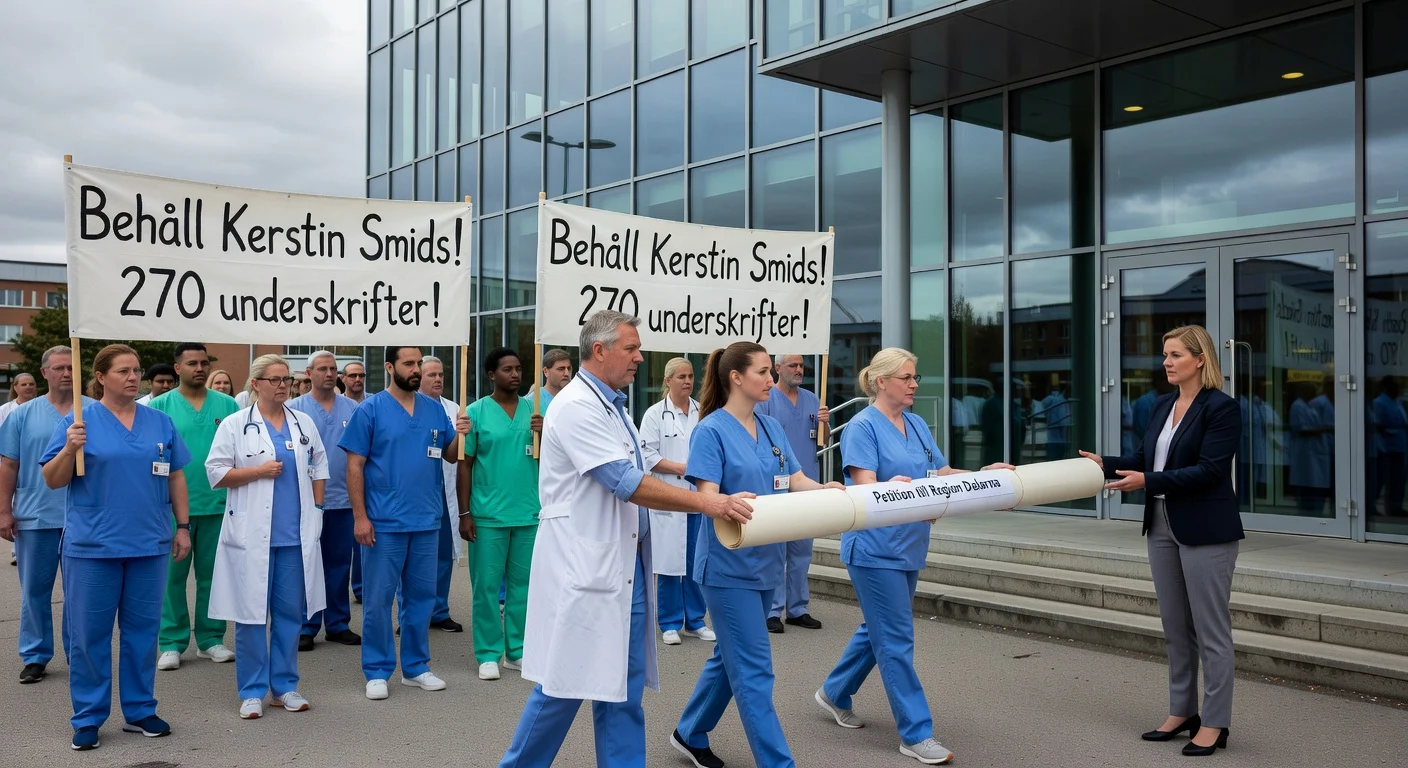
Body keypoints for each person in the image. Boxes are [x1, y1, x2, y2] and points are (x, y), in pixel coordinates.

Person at [499, 311, 753, 768]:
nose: (639, 357)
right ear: (600, 350)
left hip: (624, 567)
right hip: (588, 568)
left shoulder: (612, 406)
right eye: (631, 348)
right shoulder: (576, 405)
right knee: (563, 686)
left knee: (623, 688)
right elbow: (625, 480)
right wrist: (708, 503)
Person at [816, 348, 1012, 766]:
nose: (914, 384)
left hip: (909, 544)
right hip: (873, 550)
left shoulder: (918, 424)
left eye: (915, 377)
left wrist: (985, 479)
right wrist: (896, 486)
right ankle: (916, 733)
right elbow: (865, 488)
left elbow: (939, 474)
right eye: (906, 377)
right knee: (897, 639)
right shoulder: (861, 427)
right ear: (881, 381)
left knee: (881, 630)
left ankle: (834, 691)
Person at [671, 342, 842, 768]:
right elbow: (707, 496)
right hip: (727, 569)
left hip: (766, 563)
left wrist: (827, 490)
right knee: (754, 670)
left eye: (771, 372)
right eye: (764, 372)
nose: (771, 379)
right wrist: (726, 500)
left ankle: (689, 733)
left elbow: (795, 477)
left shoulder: (769, 428)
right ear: (736, 377)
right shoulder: (710, 430)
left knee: (729, 658)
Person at [1079, 324, 1242, 757]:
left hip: (1206, 527)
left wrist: (1147, 480)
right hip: (1162, 524)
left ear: (1200, 359)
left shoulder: (1221, 408)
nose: (1166, 362)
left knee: (1211, 632)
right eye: (1165, 354)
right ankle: (1182, 711)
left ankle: (1214, 723)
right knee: (1175, 627)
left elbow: (1210, 470)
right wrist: (1105, 463)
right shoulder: (1160, 405)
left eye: (1175, 355)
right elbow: (1144, 458)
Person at [40, 343, 193, 751]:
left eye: (136, 370)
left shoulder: (159, 422)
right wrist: (71, 448)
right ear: (101, 377)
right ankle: (88, 716)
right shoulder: (79, 421)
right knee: (88, 636)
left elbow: (175, 476)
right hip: (93, 546)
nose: (133, 376)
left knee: (143, 633)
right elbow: (52, 479)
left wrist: (182, 526)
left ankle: (141, 710)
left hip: (149, 543)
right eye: (123, 370)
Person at [340, 346, 468, 701]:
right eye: (409, 364)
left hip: (426, 519)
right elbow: (354, 466)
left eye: (418, 364)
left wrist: (461, 432)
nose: (416, 370)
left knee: (421, 598)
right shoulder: (370, 410)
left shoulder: (434, 409)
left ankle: (416, 667)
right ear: (390, 367)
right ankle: (378, 670)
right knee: (379, 599)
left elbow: (451, 454)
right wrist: (360, 517)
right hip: (383, 522)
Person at [207, 354, 329, 719]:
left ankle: (285, 687)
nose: (282, 386)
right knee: (250, 616)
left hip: (294, 537)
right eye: (274, 379)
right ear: (256, 383)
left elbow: (320, 464)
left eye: (286, 380)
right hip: (251, 536)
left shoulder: (302, 422)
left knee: (290, 615)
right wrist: (257, 471)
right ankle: (252, 690)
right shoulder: (234, 423)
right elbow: (215, 472)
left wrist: (319, 508)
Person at [0, 346, 90, 684]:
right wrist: (4, 510)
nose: (66, 373)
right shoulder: (23, 415)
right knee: (34, 591)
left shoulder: (94, 411)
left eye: (71, 367)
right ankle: (35, 654)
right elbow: (8, 464)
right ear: (44, 373)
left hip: (83, 517)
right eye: (59, 368)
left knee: (79, 592)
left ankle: (77, 652)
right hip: (35, 515)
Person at [150, 343, 241, 670]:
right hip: (173, 507)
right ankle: (171, 642)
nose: (200, 368)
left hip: (218, 504)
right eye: (192, 363)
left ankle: (211, 639)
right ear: (177, 368)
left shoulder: (228, 405)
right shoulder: (159, 406)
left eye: (204, 362)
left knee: (213, 577)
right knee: (171, 578)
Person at [462, 348, 542, 680]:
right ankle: (488, 653)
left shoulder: (535, 410)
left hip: (528, 513)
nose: (515, 374)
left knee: (525, 587)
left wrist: (546, 430)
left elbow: (557, 458)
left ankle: (518, 651)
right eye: (507, 369)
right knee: (486, 587)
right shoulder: (476, 413)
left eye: (519, 369)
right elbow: (464, 465)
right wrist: (465, 512)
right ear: (491, 375)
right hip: (488, 514)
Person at [638, 356, 714, 646]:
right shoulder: (655, 415)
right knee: (669, 564)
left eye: (691, 376)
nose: (688, 381)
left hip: (696, 499)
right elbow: (648, 456)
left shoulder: (702, 413)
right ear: (667, 381)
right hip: (668, 498)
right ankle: (669, 622)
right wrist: (683, 468)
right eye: (681, 376)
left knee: (696, 562)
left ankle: (695, 621)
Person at [290, 351, 363, 650]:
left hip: (344, 499)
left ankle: (337, 623)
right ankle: (306, 625)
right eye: (322, 369)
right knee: (307, 563)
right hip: (306, 499)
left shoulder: (353, 408)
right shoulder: (294, 409)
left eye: (333, 369)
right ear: (309, 373)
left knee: (338, 564)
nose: (329, 374)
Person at [755, 353, 829, 633]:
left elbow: (822, 439)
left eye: (801, 366)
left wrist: (825, 424)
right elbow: (758, 438)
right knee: (776, 551)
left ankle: (797, 609)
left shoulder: (812, 399)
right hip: (776, 486)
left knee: (802, 552)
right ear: (777, 368)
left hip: (807, 483)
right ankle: (772, 610)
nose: (799, 370)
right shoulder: (766, 399)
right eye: (793, 366)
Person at [417, 355, 466, 635]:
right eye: (431, 375)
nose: (438, 379)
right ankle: (414, 613)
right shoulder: (411, 407)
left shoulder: (454, 408)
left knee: (443, 556)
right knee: (416, 559)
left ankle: (439, 610)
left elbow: (456, 453)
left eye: (441, 374)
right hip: (420, 492)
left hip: (445, 492)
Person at [2, 372, 38, 567]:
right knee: (15, 503)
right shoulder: (5, 410)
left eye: (31, 384)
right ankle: (17, 549)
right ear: (15, 387)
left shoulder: (40, 407)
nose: (28, 387)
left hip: (33, 464)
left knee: (28, 504)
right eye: (23, 384)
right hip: (10, 462)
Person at [537, 348, 573, 414]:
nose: (567, 373)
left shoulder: (576, 398)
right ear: (546, 371)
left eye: (569, 368)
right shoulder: (533, 402)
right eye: (561, 369)